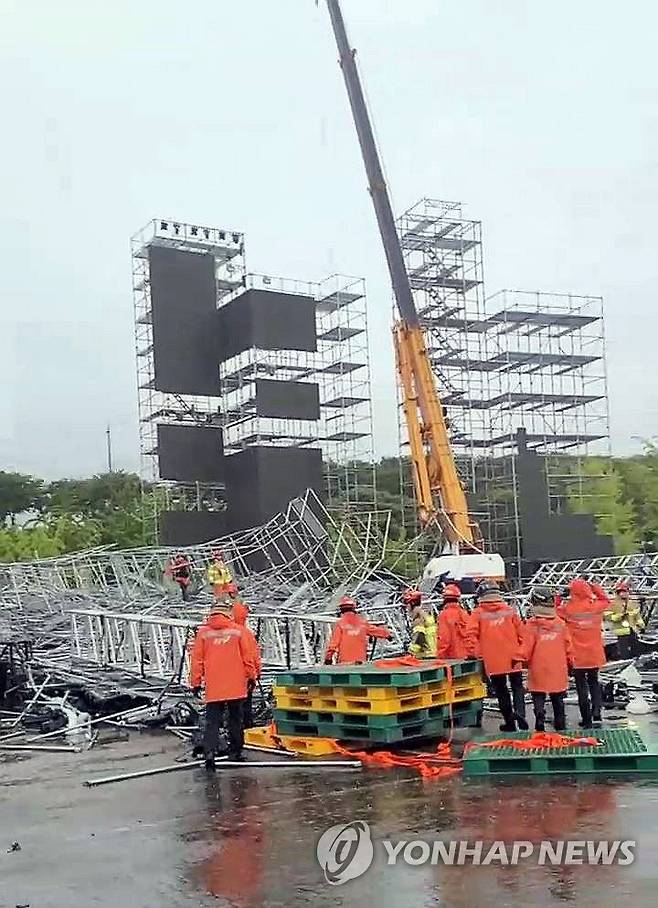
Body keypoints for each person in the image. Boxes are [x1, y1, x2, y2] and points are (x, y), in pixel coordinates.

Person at [190, 599, 256, 769]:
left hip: (214, 686)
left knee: (212, 721)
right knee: (235, 718)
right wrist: (251, 677)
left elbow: (197, 660)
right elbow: (247, 658)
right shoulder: (238, 632)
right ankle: (236, 751)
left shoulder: (203, 633)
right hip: (235, 684)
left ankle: (210, 753)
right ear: (228, 613)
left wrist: (195, 683)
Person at [468, 580, 528, 731]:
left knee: (501, 691)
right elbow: (522, 634)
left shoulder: (478, 613)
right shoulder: (509, 610)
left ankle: (509, 722)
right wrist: (522, 653)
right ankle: (520, 713)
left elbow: (470, 636)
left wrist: (476, 654)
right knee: (517, 687)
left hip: (493, 659)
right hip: (514, 656)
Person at [557, 578, 609, 727]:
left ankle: (586, 719)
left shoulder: (568, 609)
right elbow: (606, 599)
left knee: (581, 687)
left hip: (577, 655)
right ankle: (597, 712)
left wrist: (560, 596)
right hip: (594, 653)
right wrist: (594, 587)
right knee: (594, 682)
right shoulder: (596, 607)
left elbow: (554, 610)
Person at [522, 588, 573, 732]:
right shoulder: (560, 624)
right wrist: (571, 663)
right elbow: (568, 646)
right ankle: (560, 726)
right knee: (558, 700)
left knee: (538, 696)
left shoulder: (532, 625)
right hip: (557, 667)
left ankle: (539, 721)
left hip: (538, 667)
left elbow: (526, 649)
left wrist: (520, 660)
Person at [324, 596, 392, 665]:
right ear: (354, 608)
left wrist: (328, 658)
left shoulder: (340, 624)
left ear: (341, 609)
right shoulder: (362, 622)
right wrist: (387, 635)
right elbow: (375, 630)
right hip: (361, 662)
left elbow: (334, 644)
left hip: (345, 662)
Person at [232, 598, 261, 729]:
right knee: (245, 705)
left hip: (227, 679)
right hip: (244, 676)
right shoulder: (246, 634)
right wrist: (255, 674)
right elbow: (253, 656)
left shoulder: (221, 633)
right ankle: (246, 728)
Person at [607, 581, 644, 659]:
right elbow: (608, 616)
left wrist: (641, 625)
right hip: (621, 632)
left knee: (636, 649)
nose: (622, 594)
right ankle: (625, 662)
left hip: (632, 629)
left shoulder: (632, 603)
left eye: (624, 591)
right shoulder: (613, 604)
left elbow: (637, 615)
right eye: (620, 592)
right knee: (624, 651)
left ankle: (637, 660)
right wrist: (619, 616)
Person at [437, 584, 471, 659]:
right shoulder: (464, 613)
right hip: (466, 656)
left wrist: (440, 656)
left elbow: (444, 638)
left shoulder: (444, 615)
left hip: (451, 657)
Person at [403, 588, 438, 659]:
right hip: (434, 651)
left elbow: (419, 635)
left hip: (426, 655)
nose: (406, 608)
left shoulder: (418, 618)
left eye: (407, 605)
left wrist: (410, 650)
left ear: (412, 604)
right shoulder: (426, 614)